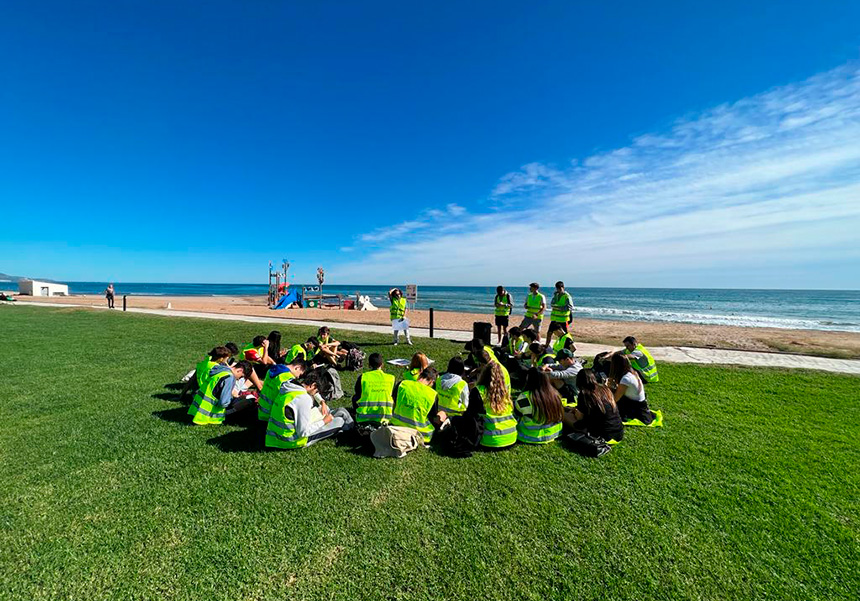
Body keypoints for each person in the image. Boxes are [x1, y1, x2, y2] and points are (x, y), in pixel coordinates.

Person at [265, 370, 355, 449]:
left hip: (274, 436)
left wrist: (322, 402)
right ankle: (352, 430)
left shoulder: (289, 385)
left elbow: (311, 393)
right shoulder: (304, 398)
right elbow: (303, 432)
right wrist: (324, 421)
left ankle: (350, 425)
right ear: (313, 385)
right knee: (339, 421)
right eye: (316, 391)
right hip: (290, 440)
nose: (315, 394)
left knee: (330, 410)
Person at [464, 362, 517, 449]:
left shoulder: (479, 391)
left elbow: (470, 415)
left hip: (489, 440)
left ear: (483, 374)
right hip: (511, 438)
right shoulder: (505, 391)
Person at [188, 359, 253, 425]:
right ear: (240, 370)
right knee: (248, 401)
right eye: (241, 376)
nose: (239, 379)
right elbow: (223, 403)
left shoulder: (220, 370)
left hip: (197, 409)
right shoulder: (230, 378)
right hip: (210, 414)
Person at [565, 369, 624, 442]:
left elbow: (580, 417)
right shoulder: (605, 389)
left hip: (602, 435)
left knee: (564, 415)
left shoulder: (584, 394)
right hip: (618, 433)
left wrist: (575, 412)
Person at [390, 367, 441, 444]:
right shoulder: (432, 394)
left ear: (420, 375)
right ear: (432, 381)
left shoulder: (402, 384)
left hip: (396, 426)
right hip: (420, 434)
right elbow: (432, 416)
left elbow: (394, 401)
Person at [514, 368, 564, 444]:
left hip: (530, 436)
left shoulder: (524, 397)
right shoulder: (555, 394)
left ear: (529, 379)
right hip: (554, 434)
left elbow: (518, 414)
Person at [607, 353, 656, 425]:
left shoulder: (626, 379)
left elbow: (615, 399)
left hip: (636, 407)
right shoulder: (632, 372)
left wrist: (608, 388)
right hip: (640, 404)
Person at [352, 353, 396, 425]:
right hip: (385, 418)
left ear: (369, 365)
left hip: (364, 418)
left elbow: (358, 393)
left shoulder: (363, 377)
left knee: (355, 397)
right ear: (382, 364)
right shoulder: (391, 378)